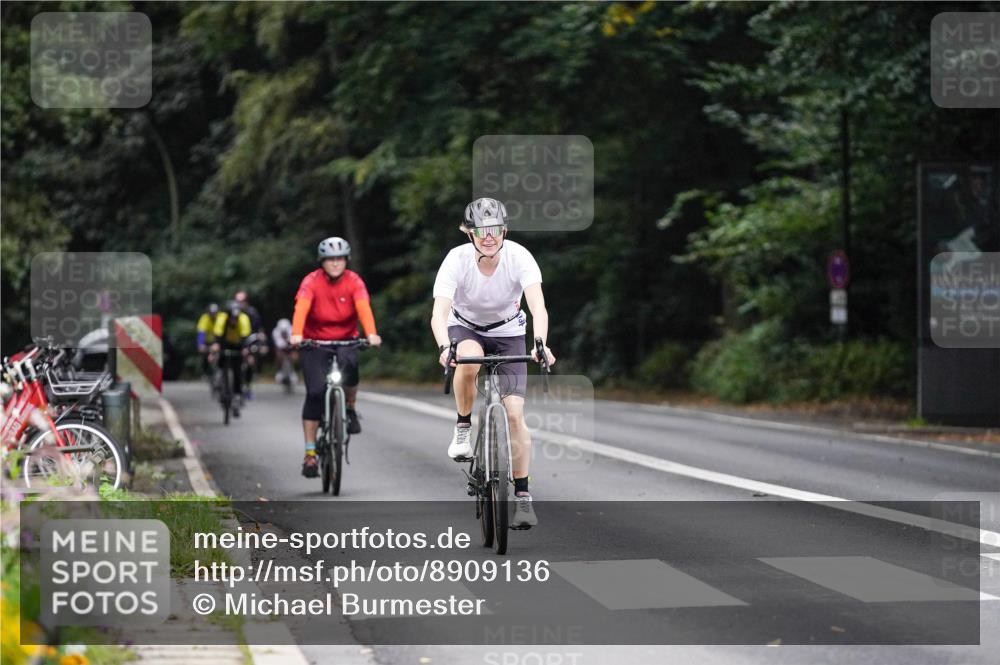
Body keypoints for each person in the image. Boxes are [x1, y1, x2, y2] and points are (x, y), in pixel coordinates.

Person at [430, 197, 555, 528]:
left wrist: (540, 343)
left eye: (495, 230)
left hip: (510, 332)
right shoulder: (456, 260)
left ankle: (524, 497)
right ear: (469, 233)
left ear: (504, 230)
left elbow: (537, 307)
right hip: (465, 326)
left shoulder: (520, 257)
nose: (489, 237)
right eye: (481, 230)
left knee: (515, 416)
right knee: (467, 359)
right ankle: (462, 428)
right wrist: (446, 346)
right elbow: (439, 313)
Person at [290, 237, 382, 478]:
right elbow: (301, 308)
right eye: (330, 259)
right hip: (314, 341)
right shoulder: (311, 281)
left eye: (339, 259)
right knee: (315, 393)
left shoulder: (354, 281)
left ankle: (349, 408)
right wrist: (297, 334)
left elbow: (363, 308)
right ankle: (310, 454)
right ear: (322, 262)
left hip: (346, 339)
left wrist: (371, 334)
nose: (335, 263)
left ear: (346, 260)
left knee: (351, 368)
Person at [211, 301, 254, 417]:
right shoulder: (222, 318)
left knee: (237, 371)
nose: (234, 321)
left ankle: (236, 396)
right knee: (221, 361)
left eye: (236, 318)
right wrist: (215, 346)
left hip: (239, 345)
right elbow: (218, 335)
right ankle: (219, 380)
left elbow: (246, 336)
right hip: (225, 343)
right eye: (232, 318)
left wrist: (246, 350)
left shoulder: (243, 319)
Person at [196, 303, 221, 380]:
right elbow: (201, 332)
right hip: (207, 341)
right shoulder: (204, 318)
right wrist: (200, 344)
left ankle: (221, 370)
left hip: (218, 340)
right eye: (212, 313)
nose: (213, 315)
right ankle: (205, 372)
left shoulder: (221, 318)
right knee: (204, 355)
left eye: (215, 313)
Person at [272, 318, 296, 387]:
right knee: (279, 355)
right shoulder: (275, 332)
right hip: (281, 348)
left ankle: (292, 372)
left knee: (293, 356)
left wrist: (292, 352)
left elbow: (293, 344)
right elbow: (280, 345)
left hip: (291, 346)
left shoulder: (292, 331)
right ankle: (280, 371)